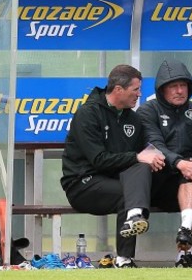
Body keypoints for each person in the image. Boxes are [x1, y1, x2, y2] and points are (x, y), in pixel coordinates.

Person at [61, 64, 165, 269]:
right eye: (135, 90)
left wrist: (156, 157)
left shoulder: (133, 119)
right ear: (118, 90)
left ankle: (128, 243)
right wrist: (138, 157)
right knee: (128, 193)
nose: (139, 94)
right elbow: (99, 160)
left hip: (115, 181)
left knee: (142, 169)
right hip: (82, 184)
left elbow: (137, 159)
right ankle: (124, 257)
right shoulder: (88, 114)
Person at [131, 59, 192, 268]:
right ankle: (124, 257)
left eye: (183, 85)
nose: (179, 91)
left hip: (187, 183)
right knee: (187, 172)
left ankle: (184, 247)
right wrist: (180, 163)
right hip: (156, 182)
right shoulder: (147, 111)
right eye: (173, 86)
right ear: (162, 89)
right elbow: (154, 146)